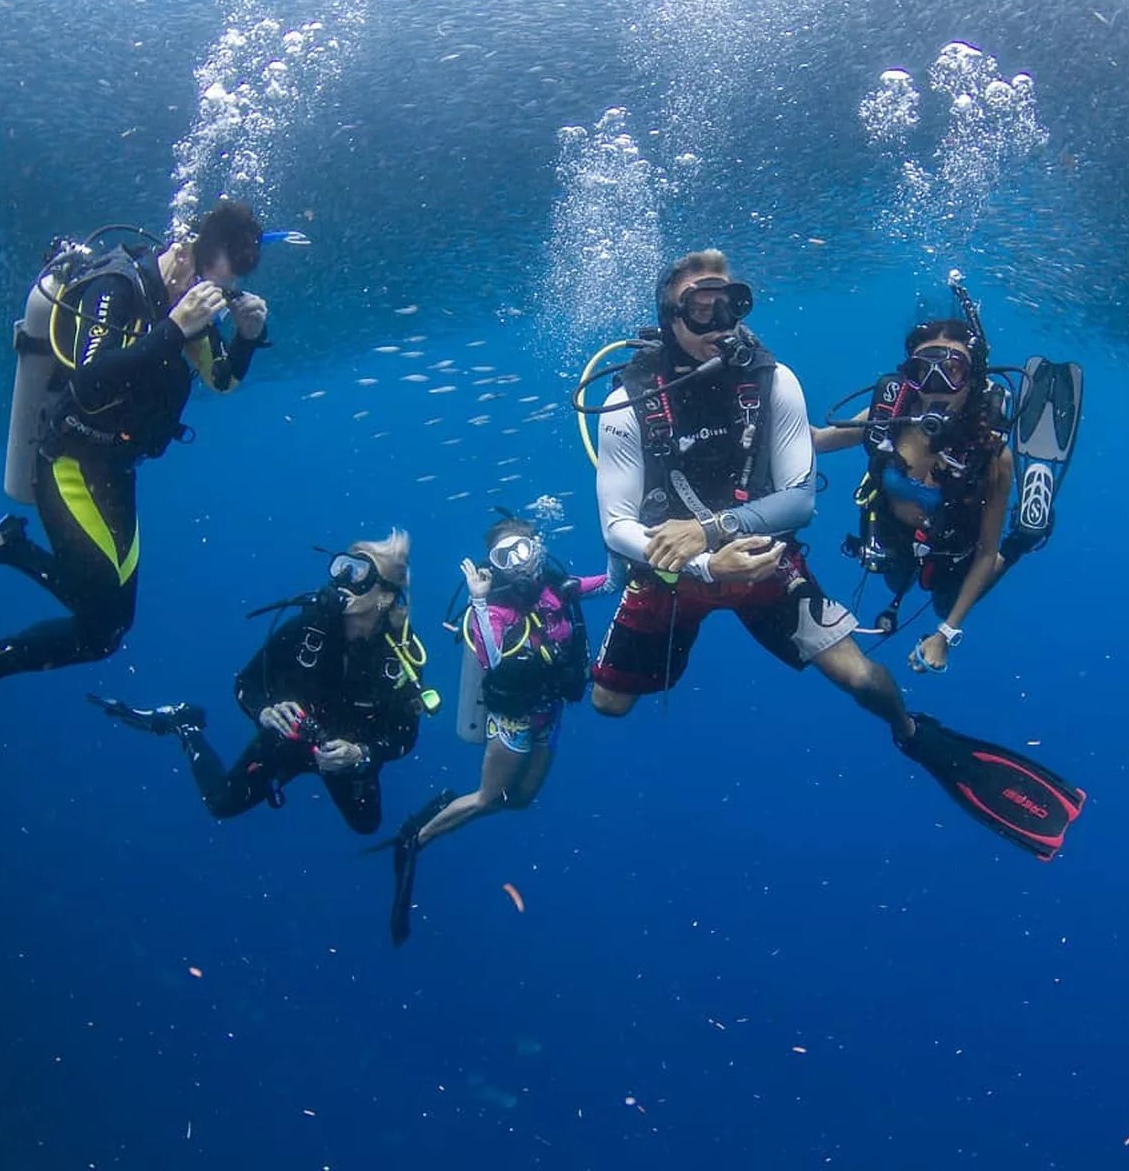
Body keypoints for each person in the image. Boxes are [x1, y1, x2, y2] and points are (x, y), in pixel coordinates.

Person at [578, 249, 1085, 861]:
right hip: (671, 569)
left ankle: (912, 733)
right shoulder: (625, 400)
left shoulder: (773, 380)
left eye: (732, 305)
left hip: (764, 559)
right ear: (669, 318)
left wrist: (714, 531)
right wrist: (707, 561)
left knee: (861, 677)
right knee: (608, 704)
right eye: (701, 309)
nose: (721, 325)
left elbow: (797, 504)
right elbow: (616, 525)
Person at [0, 200, 271, 886]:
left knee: (110, 630)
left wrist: (247, 335)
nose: (207, 297)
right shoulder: (119, 286)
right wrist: (175, 325)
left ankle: (6, 565)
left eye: (222, 289)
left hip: (118, 472)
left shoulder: (192, 301)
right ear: (186, 252)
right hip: (70, 464)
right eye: (207, 281)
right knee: (101, 610)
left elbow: (222, 378)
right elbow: (88, 378)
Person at [811, 278, 1082, 674]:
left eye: (952, 371)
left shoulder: (992, 455)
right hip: (893, 538)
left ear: (972, 379)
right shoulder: (889, 418)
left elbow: (986, 552)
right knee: (894, 581)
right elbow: (817, 441)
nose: (937, 387)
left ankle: (1025, 535)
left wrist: (945, 634)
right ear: (909, 376)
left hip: (954, 545)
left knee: (943, 601)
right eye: (923, 371)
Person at [90, 532, 435, 834]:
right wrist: (265, 712)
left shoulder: (401, 657)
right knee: (221, 803)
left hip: (344, 754)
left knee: (366, 824)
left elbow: (405, 735)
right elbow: (245, 683)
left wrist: (360, 754)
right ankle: (186, 725)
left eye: (360, 575)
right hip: (288, 738)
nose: (344, 581)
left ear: (385, 597)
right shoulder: (306, 629)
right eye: (344, 567)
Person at [379, 514, 612, 945]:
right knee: (488, 798)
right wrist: (481, 601)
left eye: (524, 548)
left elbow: (610, 583)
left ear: (538, 547)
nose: (519, 562)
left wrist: (631, 552)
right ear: (496, 563)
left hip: (550, 714)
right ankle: (415, 839)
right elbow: (491, 658)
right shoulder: (496, 608)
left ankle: (446, 809)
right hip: (514, 721)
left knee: (519, 800)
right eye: (506, 555)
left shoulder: (558, 589)